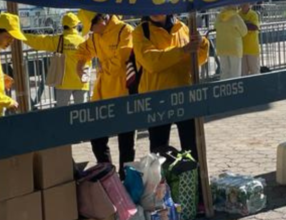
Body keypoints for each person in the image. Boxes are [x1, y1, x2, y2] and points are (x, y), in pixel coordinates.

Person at [133, 14, 209, 159]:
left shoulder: (183, 27)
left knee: (192, 147)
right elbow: (152, 62)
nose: (156, 10)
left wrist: (202, 43)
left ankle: (194, 179)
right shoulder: (139, 32)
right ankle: (163, 181)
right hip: (157, 99)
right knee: (159, 151)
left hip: (185, 96)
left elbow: (196, 60)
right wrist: (182, 50)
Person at [75, 10, 136, 171]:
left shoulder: (125, 30)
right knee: (97, 138)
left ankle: (126, 177)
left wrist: (103, 66)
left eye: (92, 27)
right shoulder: (95, 36)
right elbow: (83, 49)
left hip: (123, 93)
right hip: (101, 95)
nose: (91, 32)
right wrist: (80, 63)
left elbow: (121, 60)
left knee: (126, 142)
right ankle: (107, 173)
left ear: (101, 19)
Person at [23, 12, 89, 106]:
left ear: (63, 25)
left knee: (62, 112)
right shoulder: (84, 41)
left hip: (63, 83)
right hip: (81, 82)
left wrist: (21, 36)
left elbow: (39, 41)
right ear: (76, 25)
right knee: (82, 112)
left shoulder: (58, 40)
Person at [214, 6, 247, 80]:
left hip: (221, 47)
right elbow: (244, 31)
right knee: (235, 73)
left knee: (225, 72)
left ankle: (224, 89)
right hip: (234, 48)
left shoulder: (219, 16)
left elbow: (215, 26)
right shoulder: (236, 17)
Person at [239, 4, 261, 77]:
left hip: (252, 49)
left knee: (255, 72)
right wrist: (247, 23)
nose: (244, 5)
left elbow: (254, 27)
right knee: (243, 73)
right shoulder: (237, 14)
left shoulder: (253, 14)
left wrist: (241, 24)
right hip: (241, 49)